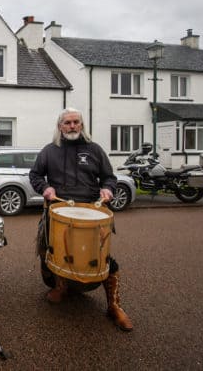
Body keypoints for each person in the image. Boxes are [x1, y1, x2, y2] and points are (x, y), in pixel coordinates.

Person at [29, 107, 133, 331]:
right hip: (58, 209)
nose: (72, 126)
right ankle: (61, 285)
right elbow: (35, 175)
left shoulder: (95, 150)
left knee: (103, 258)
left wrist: (107, 189)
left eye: (76, 122)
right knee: (53, 250)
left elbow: (108, 177)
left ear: (82, 124)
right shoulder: (49, 150)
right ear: (60, 126)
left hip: (91, 211)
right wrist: (45, 188)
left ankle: (114, 305)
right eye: (67, 122)